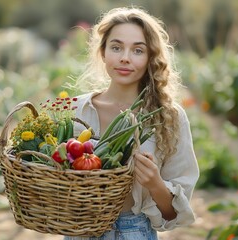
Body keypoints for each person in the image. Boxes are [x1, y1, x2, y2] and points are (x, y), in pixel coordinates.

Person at [67, 6, 199, 240]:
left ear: (150, 57)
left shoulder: (169, 118)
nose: (125, 57)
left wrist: (155, 183)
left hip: (134, 232)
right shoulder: (76, 110)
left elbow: (171, 216)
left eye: (138, 50)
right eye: (116, 47)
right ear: (103, 52)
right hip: (80, 231)